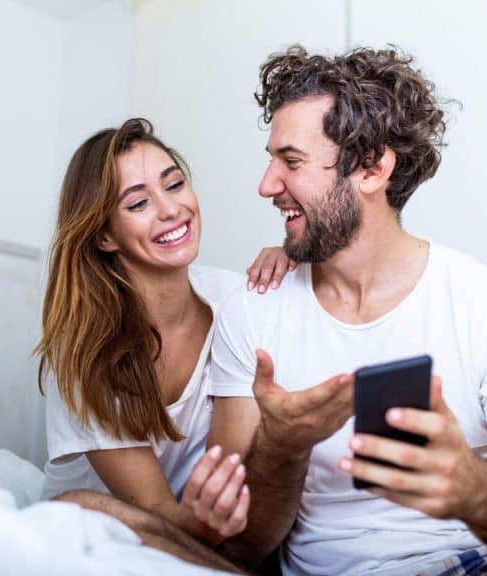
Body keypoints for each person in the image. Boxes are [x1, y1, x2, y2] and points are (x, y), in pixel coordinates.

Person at [183, 46, 487, 576]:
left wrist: (475, 490)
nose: (267, 185)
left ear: (372, 168)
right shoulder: (251, 312)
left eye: (291, 162)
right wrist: (282, 447)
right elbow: (239, 551)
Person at [35, 118, 294, 570]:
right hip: (114, 531)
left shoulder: (235, 301)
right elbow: (154, 512)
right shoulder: (83, 354)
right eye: (138, 202)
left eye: (174, 184)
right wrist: (211, 523)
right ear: (104, 235)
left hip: (198, 530)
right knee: (79, 505)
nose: (170, 209)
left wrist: (296, 261)